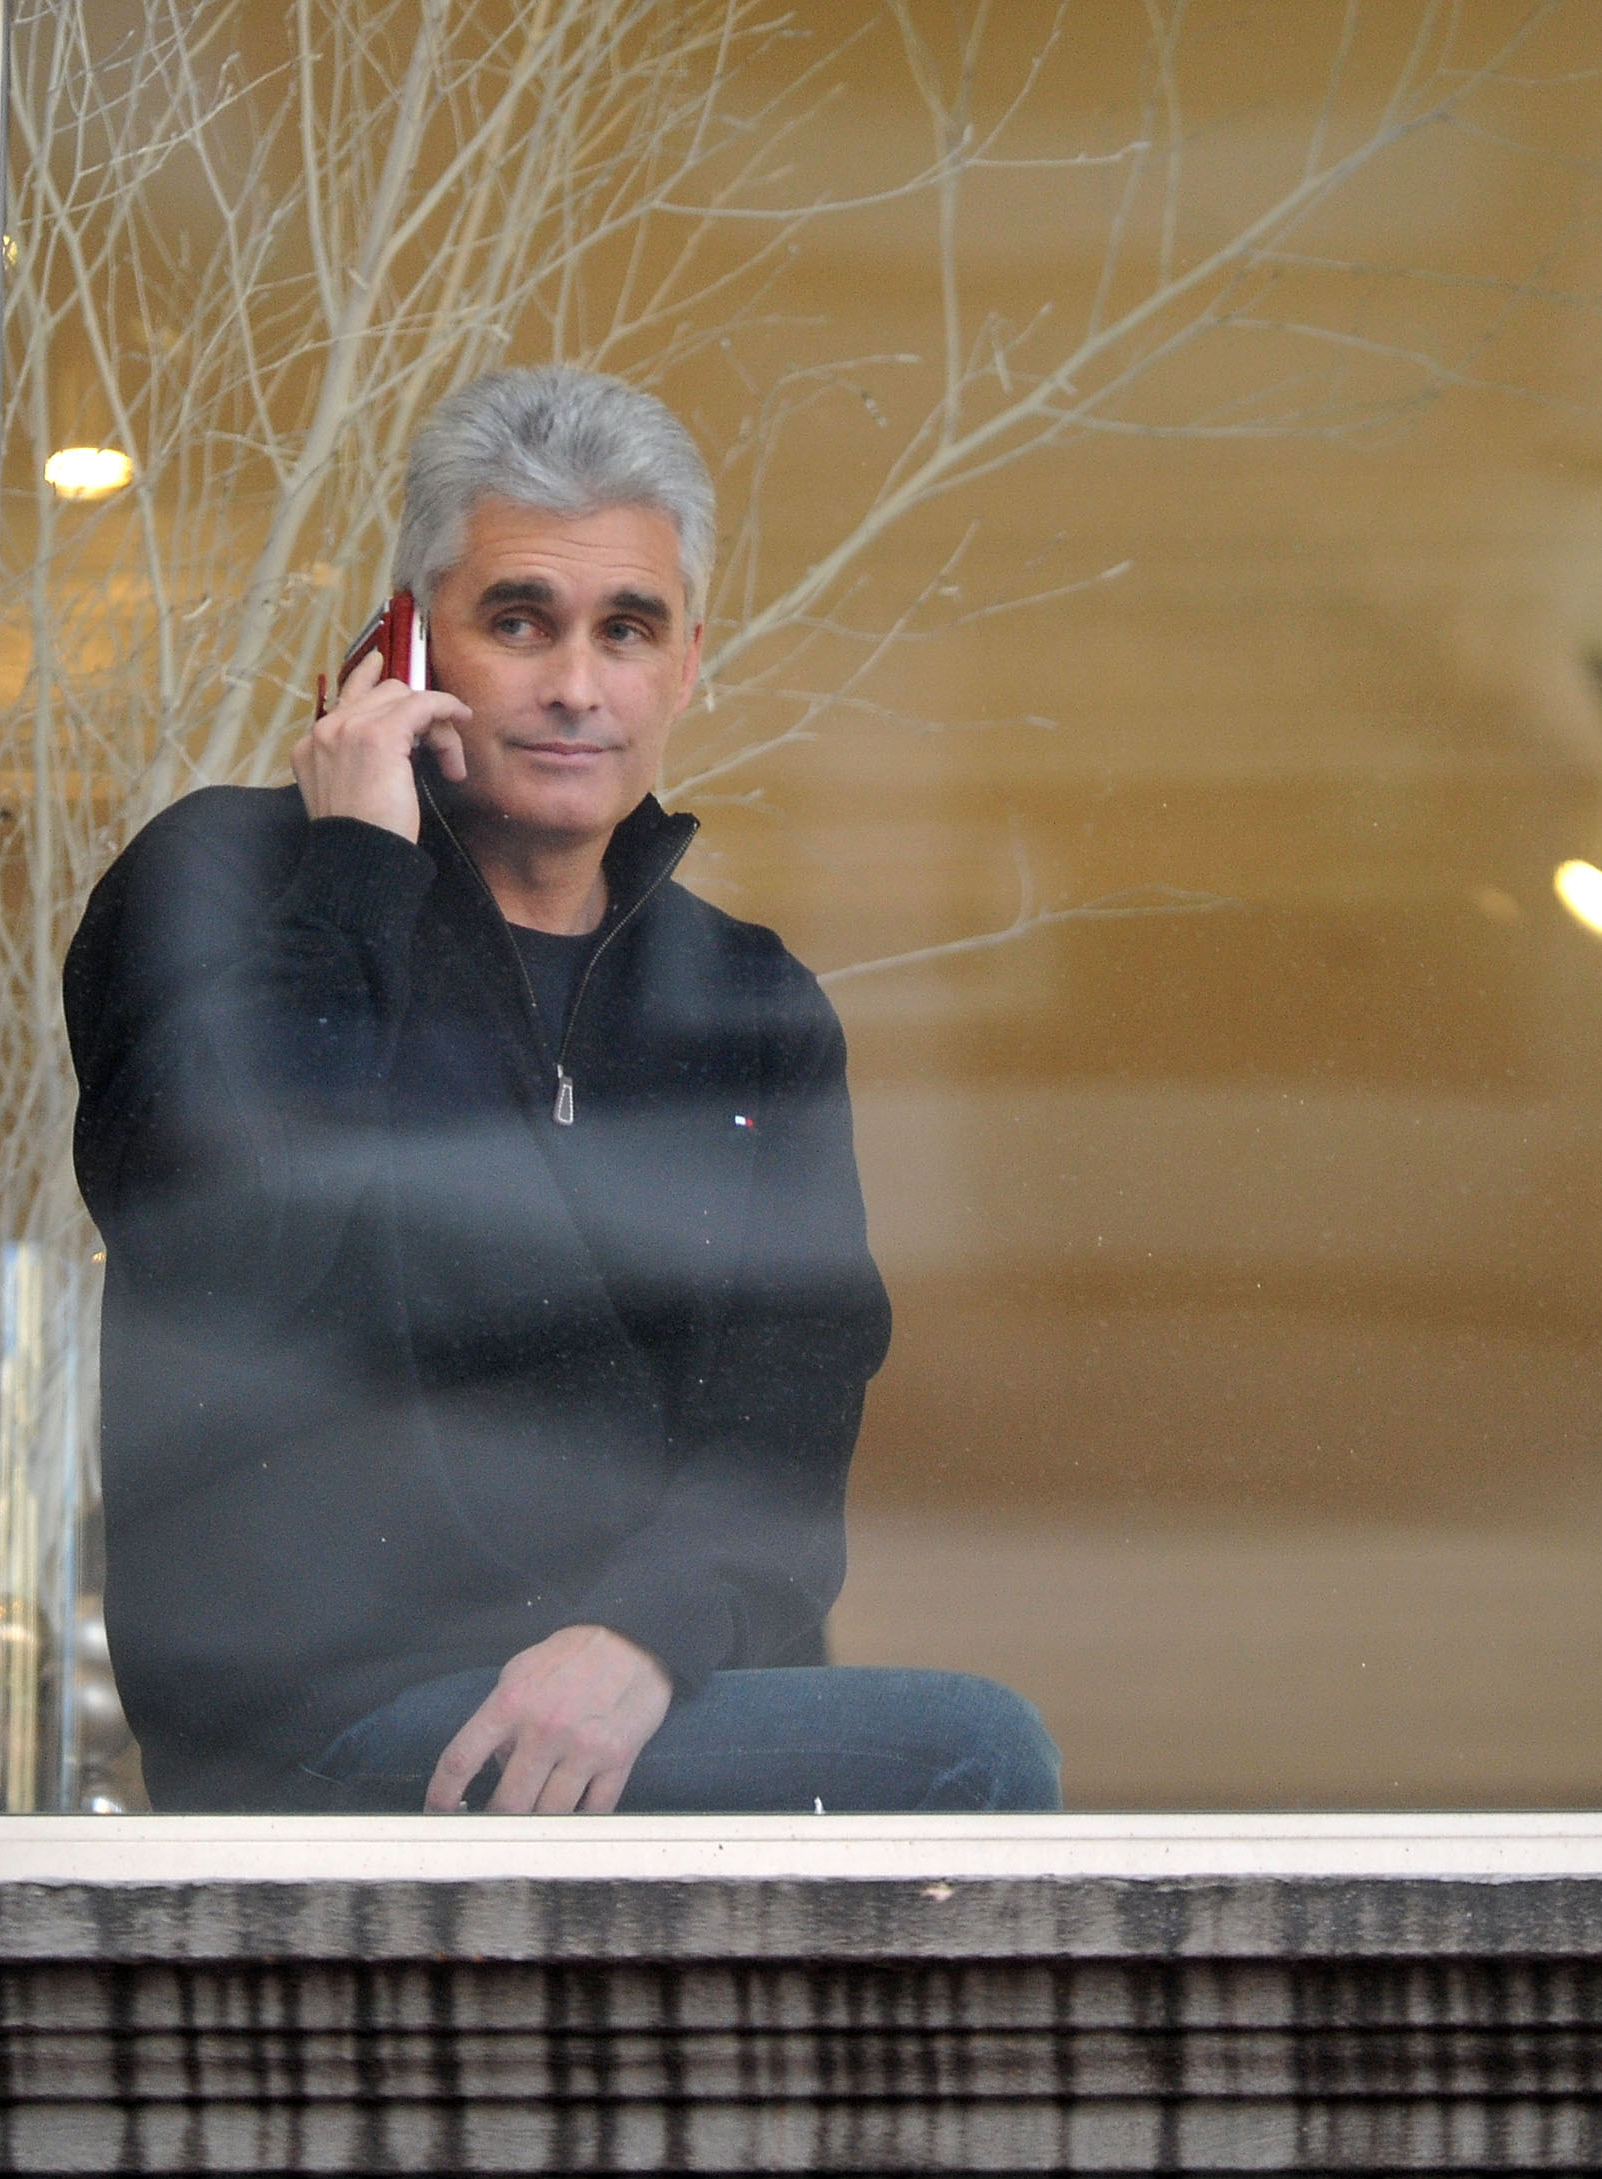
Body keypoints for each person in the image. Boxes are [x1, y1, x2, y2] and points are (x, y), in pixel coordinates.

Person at [65, 366, 1061, 1815]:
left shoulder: (749, 1001)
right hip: (331, 1733)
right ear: (406, 643)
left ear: (691, 663)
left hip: (649, 1708)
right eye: (517, 620)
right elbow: (224, 1247)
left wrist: (647, 1639)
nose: (576, 686)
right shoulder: (226, 883)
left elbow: (791, 1405)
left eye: (626, 630)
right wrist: (357, 875)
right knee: (973, 1756)